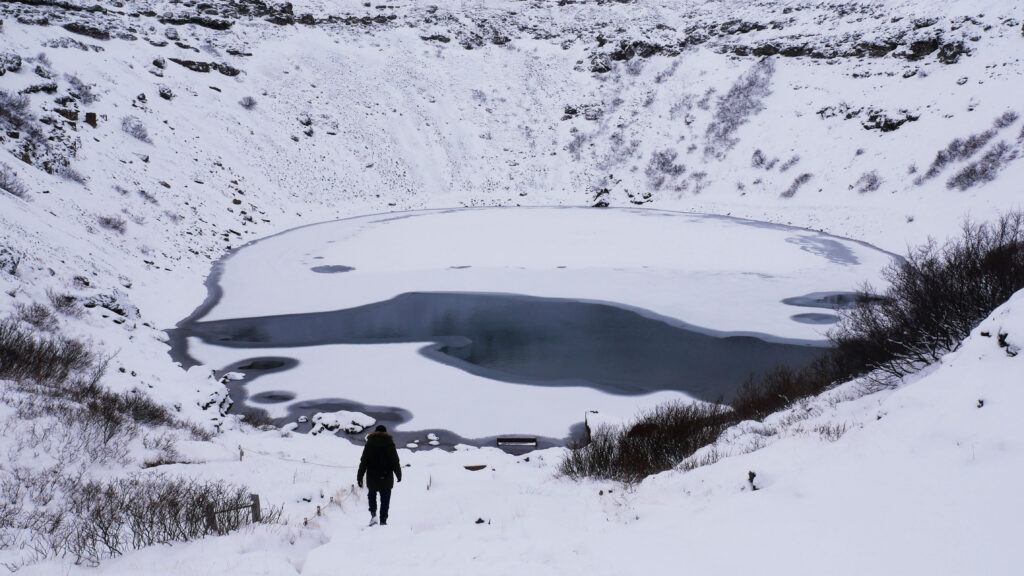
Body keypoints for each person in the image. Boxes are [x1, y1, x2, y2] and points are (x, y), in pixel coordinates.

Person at [357, 424, 402, 525]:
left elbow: (363, 461)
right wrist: (398, 474)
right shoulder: (390, 443)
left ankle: (373, 515)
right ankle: (383, 520)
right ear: (385, 433)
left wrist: (359, 477)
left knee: (372, 495)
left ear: (375, 432)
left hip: (372, 476)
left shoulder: (370, 443)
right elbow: (395, 461)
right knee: (385, 500)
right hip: (386, 477)